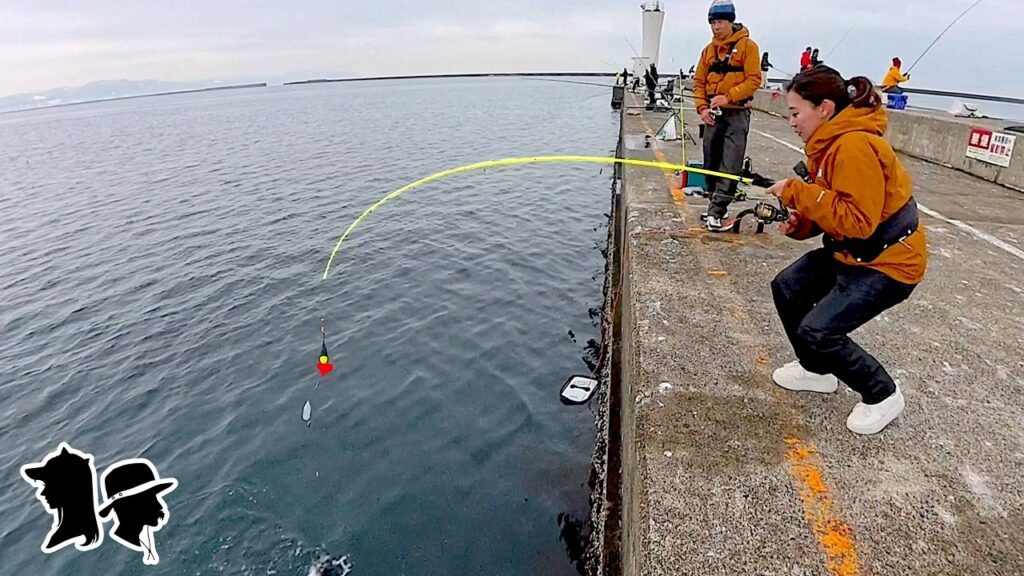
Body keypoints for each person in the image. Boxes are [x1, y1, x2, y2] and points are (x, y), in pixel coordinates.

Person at [765, 65, 928, 435]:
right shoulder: (825, 147)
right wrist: (801, 225)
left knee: (818, 331)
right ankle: (816, 370)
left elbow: (858, 221)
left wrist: (795, 191)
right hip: (852, 253)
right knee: (787, 287)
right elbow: (831, 210)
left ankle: (882, 393)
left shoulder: (854, 145)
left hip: (888, 263)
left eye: (795, 113)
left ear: (824, 108)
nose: (791, 122)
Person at [692, 0, 762, 231]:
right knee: (710, 160)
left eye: (720, 22)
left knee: (730, 163)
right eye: (712, 22)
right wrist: (702, 109)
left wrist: (729, 96)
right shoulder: (707, 51)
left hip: (737, 115)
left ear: (730, 21)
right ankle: (713, 204)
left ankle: (717, 211)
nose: (715, 27)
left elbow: (754, 79)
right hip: (713, 115)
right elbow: (699, 82)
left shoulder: (748, 47)